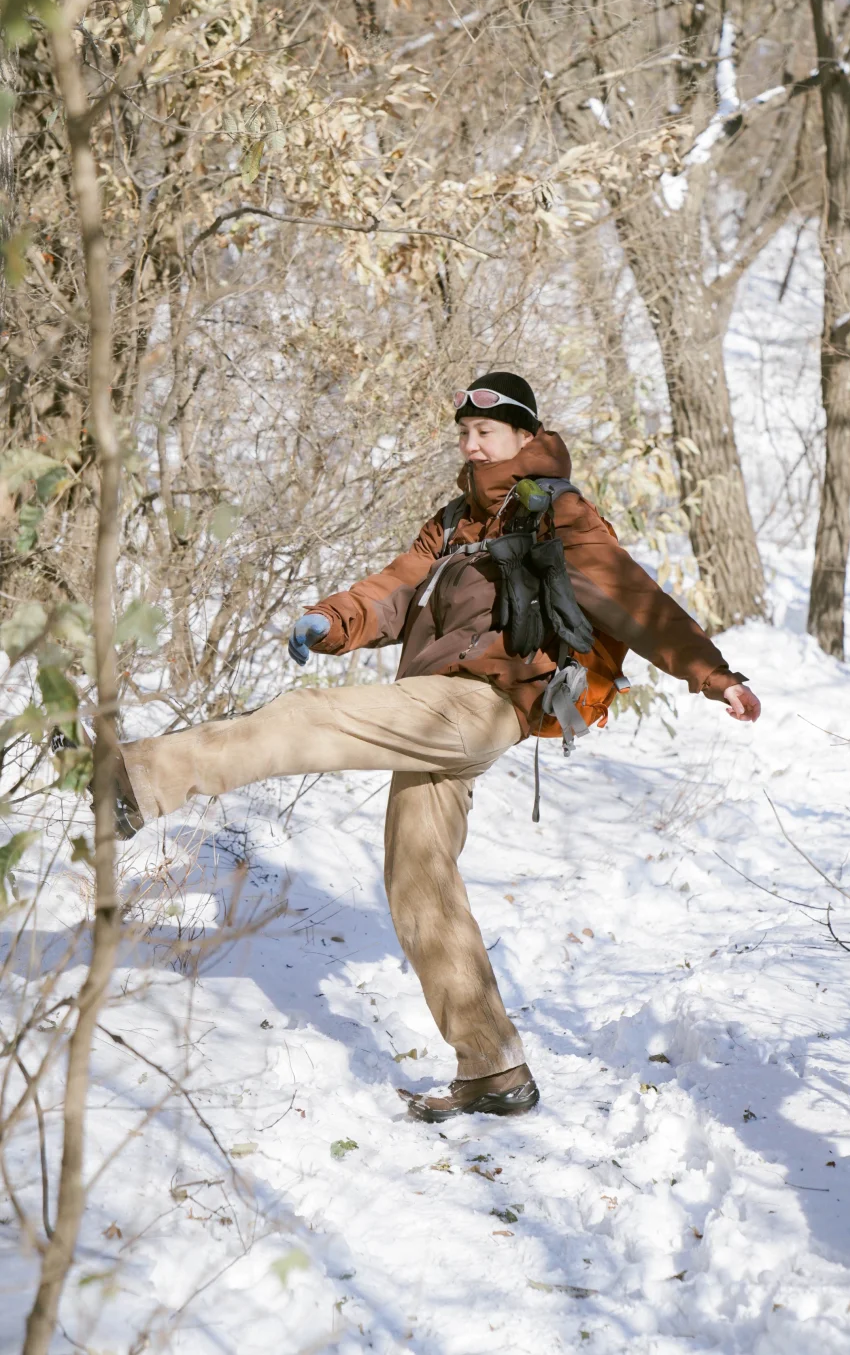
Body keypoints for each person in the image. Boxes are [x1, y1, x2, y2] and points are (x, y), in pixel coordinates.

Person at [117, 372, 760, 1124]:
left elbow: (635, 597)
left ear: (525, 435)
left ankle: (135, 778)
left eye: (485, 431)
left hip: (485, 700)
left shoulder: (561, 512)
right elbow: (395, 589)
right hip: (439, 703)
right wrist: (333, 619)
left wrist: (713, 674)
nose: (470, 441)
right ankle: (492, 1066)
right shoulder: (456, 520)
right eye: (463, 431)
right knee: (418, 876)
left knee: (309, 717)